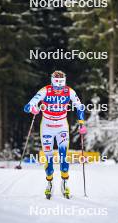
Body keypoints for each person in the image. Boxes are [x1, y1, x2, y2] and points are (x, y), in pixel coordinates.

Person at [24, 70, 87, 199]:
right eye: (56, 84)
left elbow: (79, 106)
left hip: (62, 126)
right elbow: (28, 105)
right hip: (47, 127)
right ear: (52, 81)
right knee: (49, 158)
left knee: (64, 157)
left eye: (61, 84)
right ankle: (49, 183)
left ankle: (64, 183)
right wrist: (32, 108)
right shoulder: (45, 90)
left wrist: (81, 123)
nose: (58, 88)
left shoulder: (69, 91)